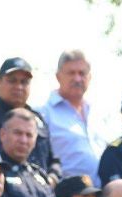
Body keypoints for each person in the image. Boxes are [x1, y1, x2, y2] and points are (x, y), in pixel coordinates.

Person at [0, 57, 61, 182]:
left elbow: (53, 161)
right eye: (12, 81)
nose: (19, 87)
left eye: (24, 82)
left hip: (40, 193)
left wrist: (52, 179)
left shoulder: (37, 120)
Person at [38, 49, 107, 184]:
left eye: (82, 73)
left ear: (90, 77)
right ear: (58, 77)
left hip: (101, 196)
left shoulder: (98, 113)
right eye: (71, 73)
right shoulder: (43, 114)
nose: (77, 79)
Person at [0, 108, 59, 197]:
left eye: (29, 135)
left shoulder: (40, 175)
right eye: (18, 133)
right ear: (3, 134)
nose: (23, 140)